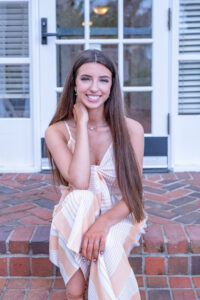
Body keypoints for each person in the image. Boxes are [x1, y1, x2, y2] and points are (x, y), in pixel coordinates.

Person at [45, 49, 147, 300]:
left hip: (120, 213)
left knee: (108, 245)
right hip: (76, 213)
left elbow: (133, 194)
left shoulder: (131, 129)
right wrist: (81, 123)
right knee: (84, 198)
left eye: (103, 80)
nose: (95, 87)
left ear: (112, 87)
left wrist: (103, 223)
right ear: (74, 85)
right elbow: (79, 182)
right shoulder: (56, 131)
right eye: (86, 79)